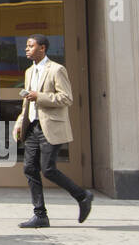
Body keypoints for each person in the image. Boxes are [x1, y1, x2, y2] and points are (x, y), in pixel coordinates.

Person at [14, 34, 92, 227]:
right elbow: (27, 102)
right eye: (26, 46)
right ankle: (40, 215)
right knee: (29, 168)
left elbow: (66, 98)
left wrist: (39, 96)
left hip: (51, 126)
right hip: (32, 126)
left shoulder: (57, 70)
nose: (26, 49)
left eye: (30, 46)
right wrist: (19, 122)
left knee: (48, 169)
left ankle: (82, 196)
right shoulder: (28, 72)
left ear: (42, 48)